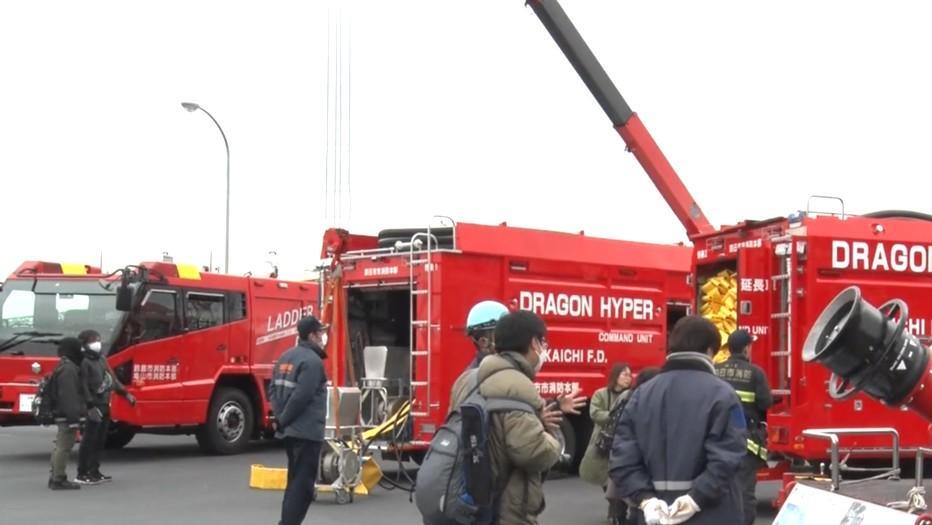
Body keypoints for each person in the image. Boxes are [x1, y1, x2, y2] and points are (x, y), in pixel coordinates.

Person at [610, 316, 746, 525]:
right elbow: (727, 459)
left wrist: (645, 500)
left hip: (651, 517)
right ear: (710, 351)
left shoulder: (640, 394)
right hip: (711, 515)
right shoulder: (723, 395)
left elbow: (622, 457)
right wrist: (695, 499)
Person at [449, 310, 562, 525]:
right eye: (543, 342)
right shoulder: (517, 384)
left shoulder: (466, 379)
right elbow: (534, 452)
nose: (545, 348)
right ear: (534, 343)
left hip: (465, 501)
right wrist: (552, 437)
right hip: (505, 511)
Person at [450, 301, 586, 417]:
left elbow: (516, 408)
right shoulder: (496, 378)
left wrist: (555, 404)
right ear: (483, 342)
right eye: (501, 332)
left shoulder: (468, 378)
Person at [268, 316, 329, 525]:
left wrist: (280, 418)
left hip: (290, 433)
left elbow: (273, 390)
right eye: (320, 333)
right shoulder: (312, 362)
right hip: (307, 432)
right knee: (302, 487)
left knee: (294, 483)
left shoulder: (285, 357)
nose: (323, 337)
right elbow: (302, 396)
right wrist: (284, 419)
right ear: (312, 335)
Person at [715, 329, 773, 525]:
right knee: (744, 494)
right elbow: (766, 403)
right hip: (745, 444)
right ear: (747, 348)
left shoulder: (716, 370)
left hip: (717, 440)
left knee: (719, 489)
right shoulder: (755, 373)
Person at [75, 329, 136, 485]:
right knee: (89, 439)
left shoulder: (101, 359)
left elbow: (112, 379)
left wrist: (126, 394)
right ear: (85, 344)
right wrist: (89, 405)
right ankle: (82, 473)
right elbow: (83, 387)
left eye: (98, 339)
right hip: (93, 406)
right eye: (93, 340)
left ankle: (94, 470)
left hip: (105, 404)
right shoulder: (84, 362)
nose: (97, 343)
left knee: (100, 439)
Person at [580, 363, 633, 524]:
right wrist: (616, 416)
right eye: (624, 374)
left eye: (630, 375)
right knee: (605, 479)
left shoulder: (631, 395)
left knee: (618, 479)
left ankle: (618, 510)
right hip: (605, 442)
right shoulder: (601, 394)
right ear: (615, 376)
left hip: (623, 443)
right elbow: (595, 413)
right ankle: (614, 506)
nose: (628, 378)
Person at [48, 337, 86, 490]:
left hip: (62, 413)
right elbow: (69, 395)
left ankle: (54, 476)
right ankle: (59, 478)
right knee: (64, 447)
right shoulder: (69, 369)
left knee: (60, 446)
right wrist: (74, 418)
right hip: (66, 414)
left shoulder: (63, 366)